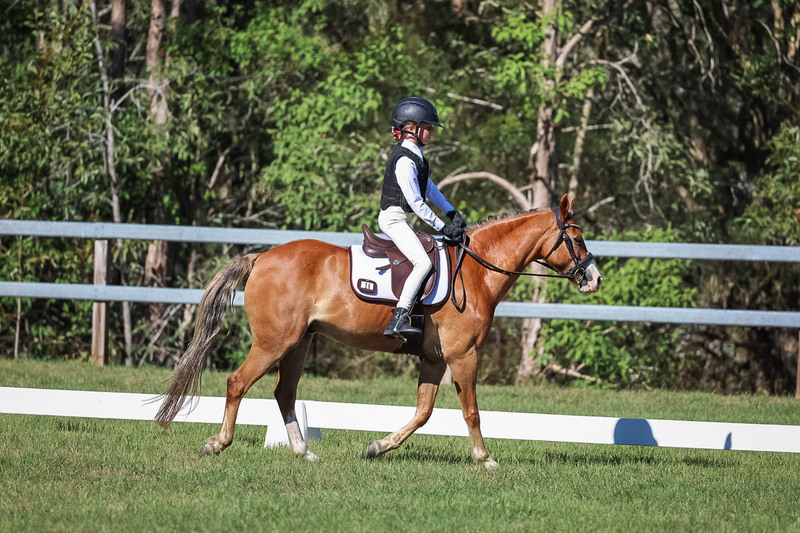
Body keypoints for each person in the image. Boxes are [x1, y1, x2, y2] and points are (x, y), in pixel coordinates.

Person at [379, 96, 467, 339]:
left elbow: (430, 189)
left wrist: (451, 212)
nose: (431, 133)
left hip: (400, 218)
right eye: (427, 128)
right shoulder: (405, 160)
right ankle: (399, 317)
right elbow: (417, 202)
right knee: (423, 263)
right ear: (411, 129)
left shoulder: (415, 156)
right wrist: (442, 226)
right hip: (392, 220)